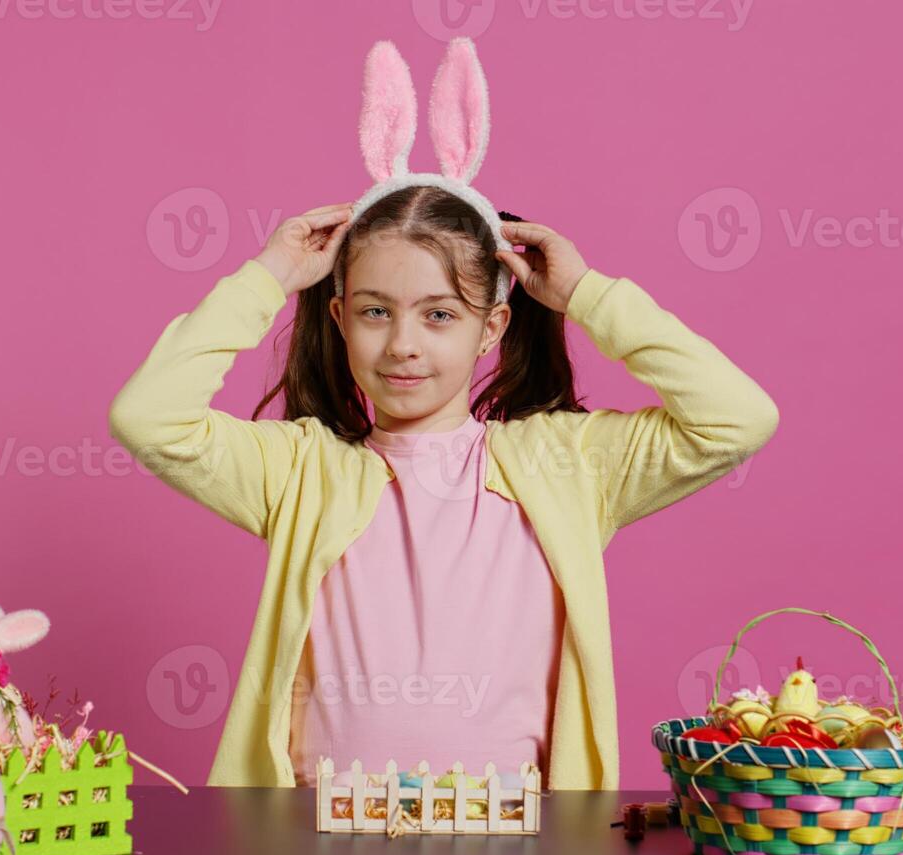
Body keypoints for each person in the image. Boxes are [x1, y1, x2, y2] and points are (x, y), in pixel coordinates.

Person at [109, 185, 780, 791]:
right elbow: (148, 417)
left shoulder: (567, 466)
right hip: (318, 843)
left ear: (490, 328)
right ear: (339, 319)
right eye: (376, 311)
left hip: (517, 845)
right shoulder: (300, 470)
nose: (403, 344)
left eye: (438, 315)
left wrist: (588, 295)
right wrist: (269, 277)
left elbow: (736, 419)